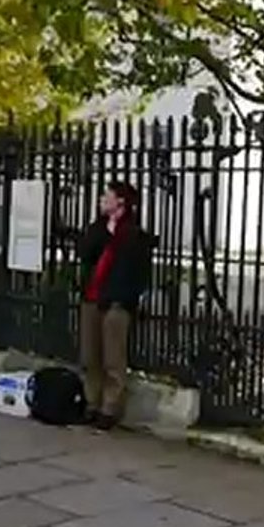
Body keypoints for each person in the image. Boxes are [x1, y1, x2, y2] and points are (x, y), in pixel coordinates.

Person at [78, 181, 153, 430]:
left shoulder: (133, 235)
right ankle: (91, 402)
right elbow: (85, 252)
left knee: (113, 357)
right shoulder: (98, 228)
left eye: (106, 196)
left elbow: (139, 273)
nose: (101, 199)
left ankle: (109, 407)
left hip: (117, 303)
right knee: (90, 355)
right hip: (93, 297)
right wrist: (103, 230)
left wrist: (125, 298)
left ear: (120, 202)